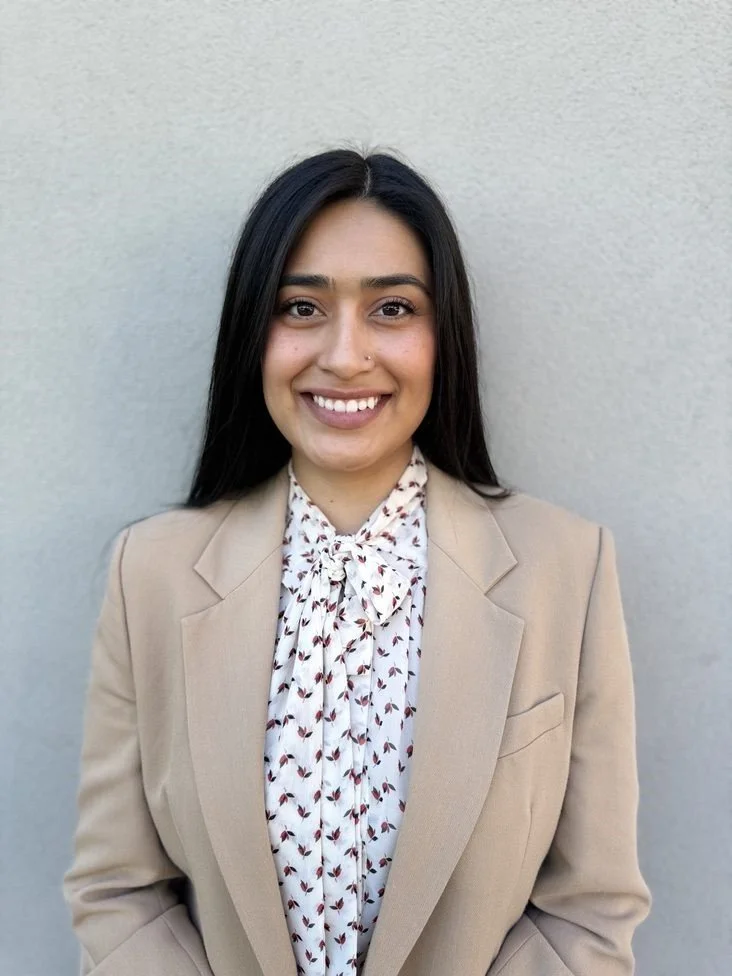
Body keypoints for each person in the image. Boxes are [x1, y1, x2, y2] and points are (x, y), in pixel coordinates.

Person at [63, 147, 651, 976]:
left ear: (443, 335)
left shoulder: (566, 568)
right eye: (301, 307)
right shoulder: (150, 575)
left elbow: (588, 911)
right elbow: (119, 894)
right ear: (252, 334)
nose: (343, 356)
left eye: (392, 309)